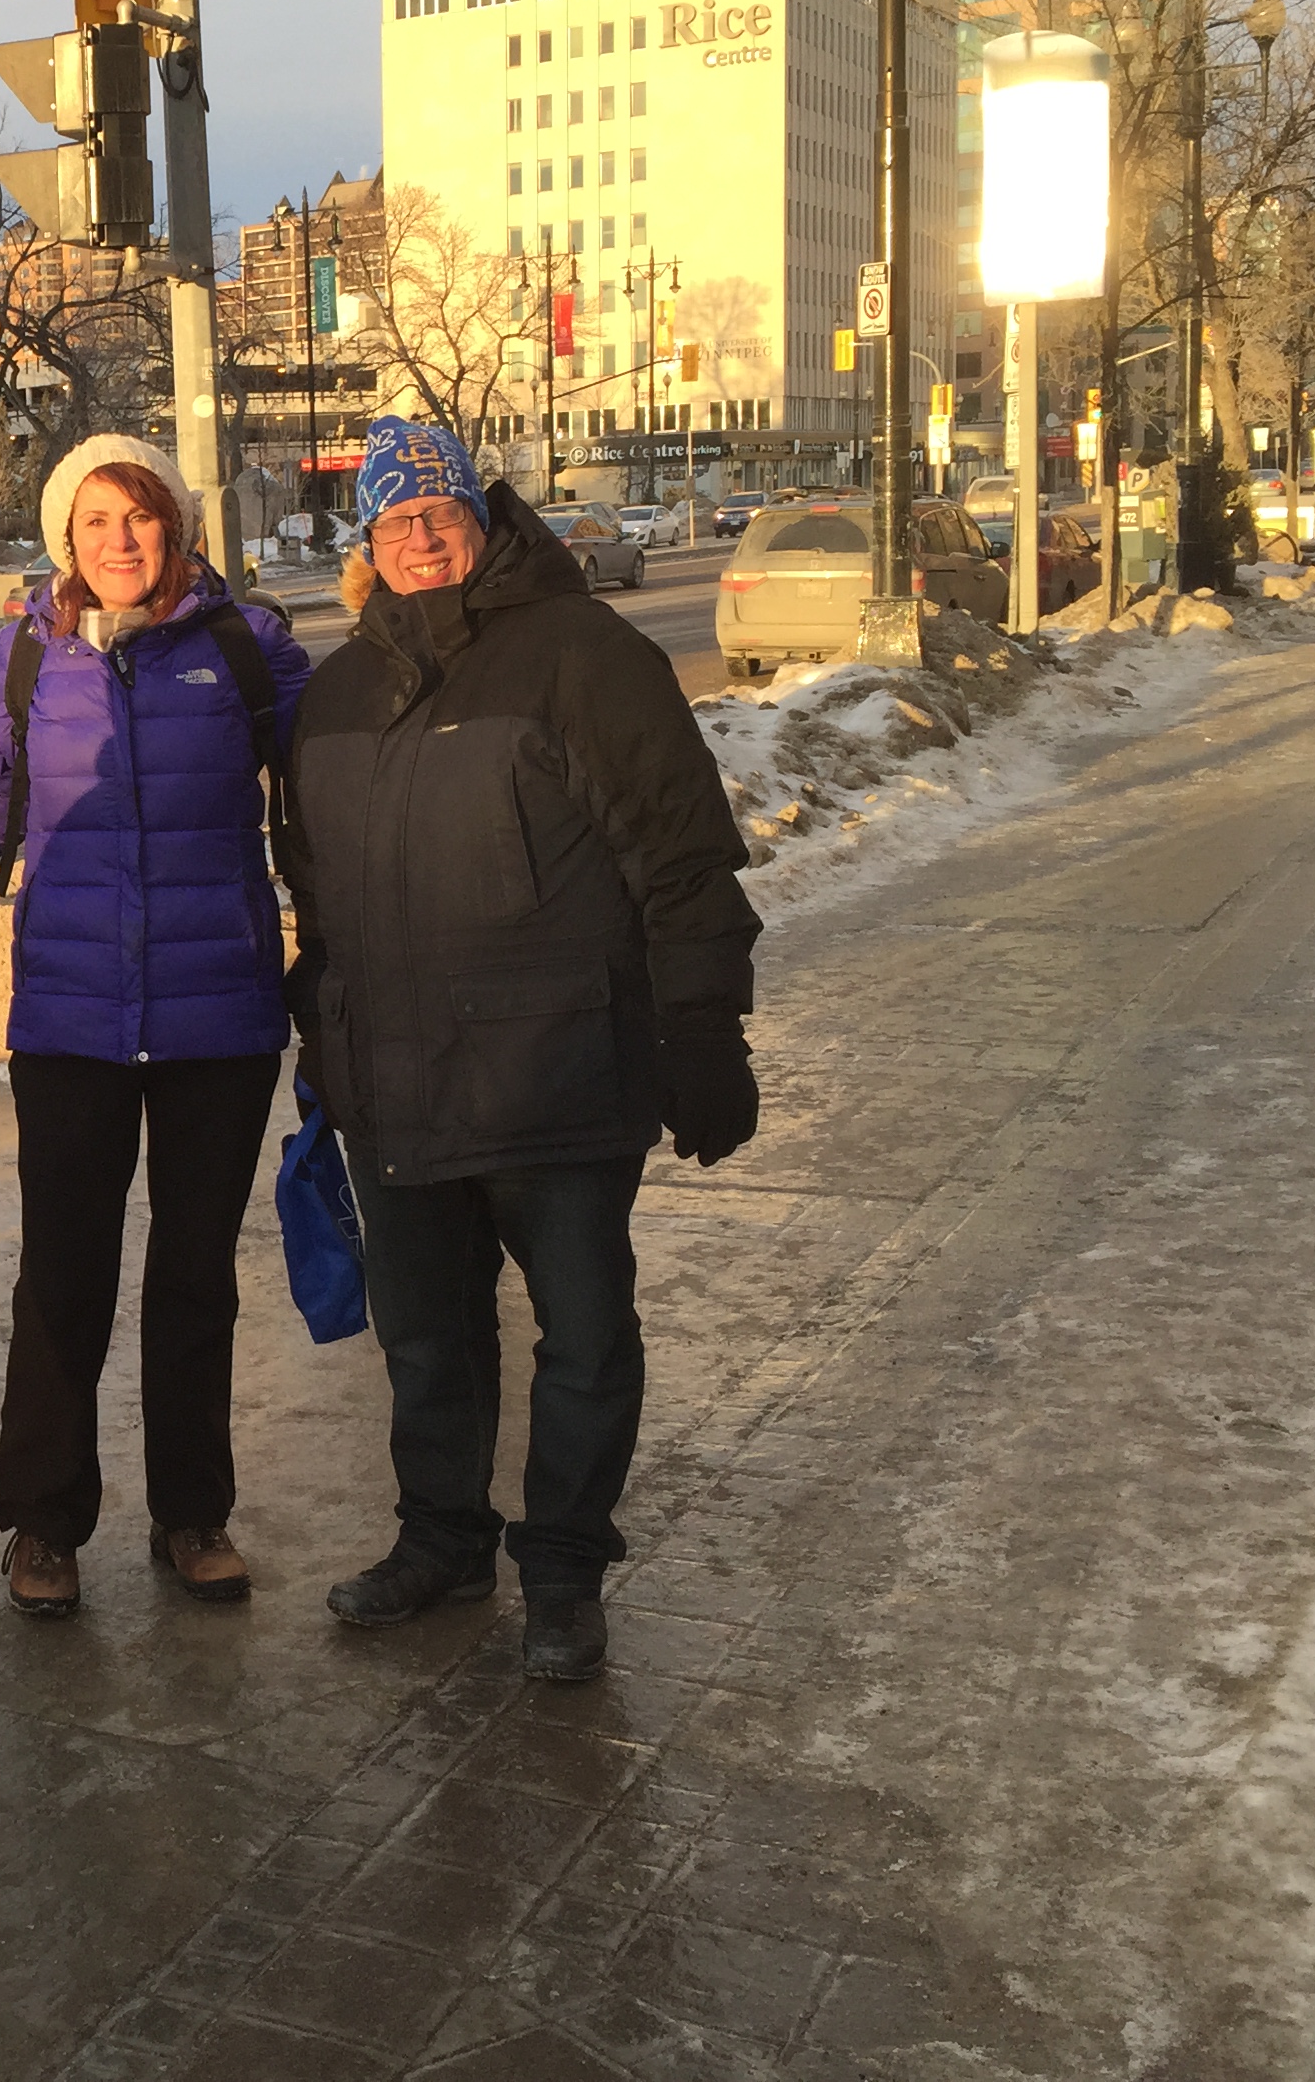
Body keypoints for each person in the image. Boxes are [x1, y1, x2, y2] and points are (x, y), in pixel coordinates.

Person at [279, 417, 762, 1685]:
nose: (421, 537)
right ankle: (441, 1537)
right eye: (394, 522)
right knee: (427, 1342)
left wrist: (702, 1028)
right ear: (366, 545)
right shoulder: (336, 695)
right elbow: (316, 897)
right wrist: (319, 1026)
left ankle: (562, 1570)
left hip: (560, 1077)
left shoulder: (585, 658)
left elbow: (683, 855)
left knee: (584, 1341)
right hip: (399, 1089)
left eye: (439, 513)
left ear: (482, 519)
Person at [0, 436, 311, 1619]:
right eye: (95, 522)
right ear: (66, 541)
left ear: (177, 526)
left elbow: (348, 785)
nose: (121, 542)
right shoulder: (28, 662)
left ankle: (193, 1516)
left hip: (218, 1019)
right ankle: (44, 1523)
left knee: (195, 1280)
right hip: (72, 1019)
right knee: (63, 1279)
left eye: (139, 517)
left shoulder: (248, 650)